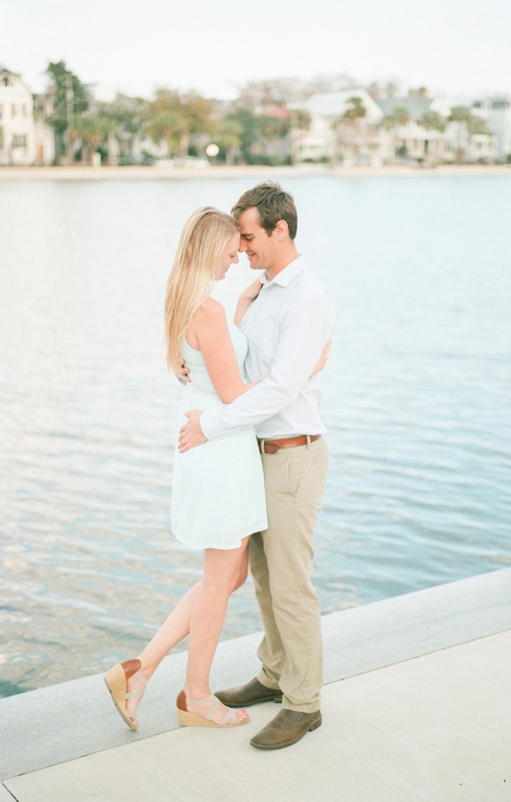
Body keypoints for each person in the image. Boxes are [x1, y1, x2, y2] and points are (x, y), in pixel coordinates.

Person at [104, 207, 328, 731]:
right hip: (222, 448)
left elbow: (212, 370)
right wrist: (303, 369)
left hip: (214, 444)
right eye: (231, 250)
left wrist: (245, 306)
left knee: (223, 577)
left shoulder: (189, 303)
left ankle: (140, 670)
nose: (237, 259)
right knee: (220, 577)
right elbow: (235, 393)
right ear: (210, 249)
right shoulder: (206, 311)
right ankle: (194, 694)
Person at [178, 182, 335, 750]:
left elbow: (280, 388)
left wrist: (211, 424)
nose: (241, 247)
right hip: (257, 455)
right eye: (238, 238)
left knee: (292, 585)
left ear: (279, 230)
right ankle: (274, 674)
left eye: (247, 236)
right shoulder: (261, 290)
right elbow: (238, 363)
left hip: (292, 453)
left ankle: (304, 702)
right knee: (265, 581)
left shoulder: (305, 297)